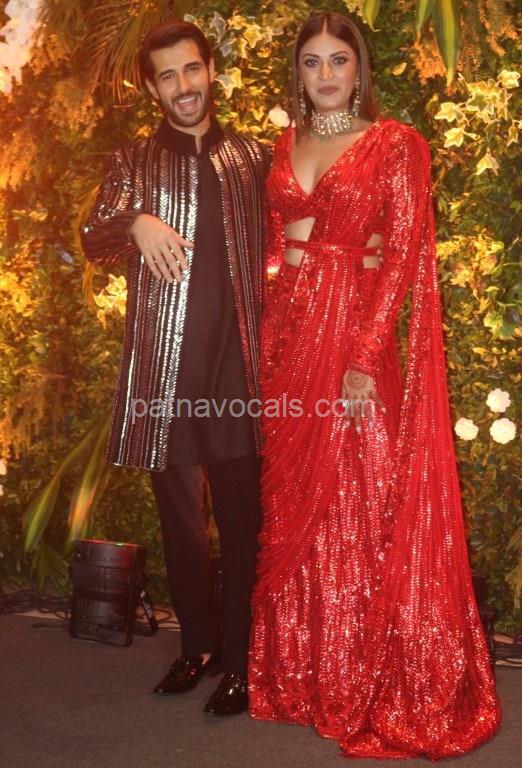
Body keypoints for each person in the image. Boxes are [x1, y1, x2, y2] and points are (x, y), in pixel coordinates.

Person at [248, 11, 501, 758]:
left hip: (350, 336)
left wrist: (363, 351)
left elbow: (400, 255)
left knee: (358, 494)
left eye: (338, 60)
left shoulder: (393, 144)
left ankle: (364, 677)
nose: (325, 74)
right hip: (285, 336)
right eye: (312, 62)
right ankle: (302, 677)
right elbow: (273, 244)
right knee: (291, 504)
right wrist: (264, 320)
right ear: (297, 73)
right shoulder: (283, 145)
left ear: (359, 68)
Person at [81, 20, 270, 715]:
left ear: (210, 70)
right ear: (152, 87)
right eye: (167, 75)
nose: (183, 86)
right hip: (164, 374)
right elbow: (92, 237)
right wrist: (133, 222)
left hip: (238, 369)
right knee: (181, 524)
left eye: (191, 70)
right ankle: (197, 647)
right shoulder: (132, 162)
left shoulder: (253, 158)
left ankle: (242, 661)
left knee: (244, 525)